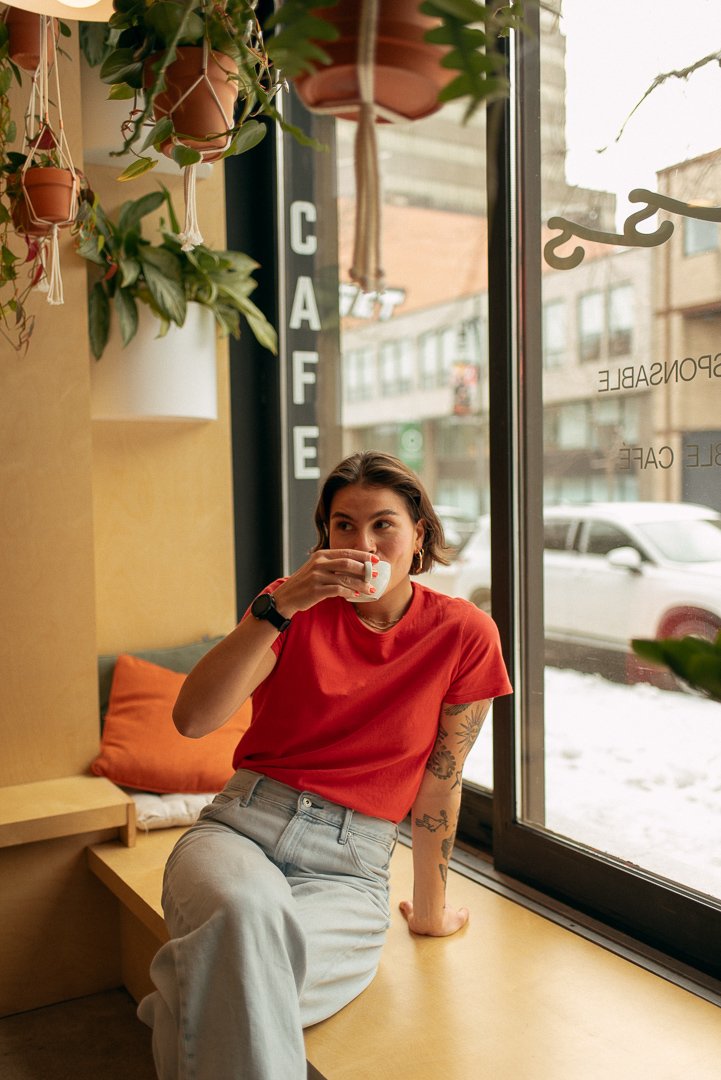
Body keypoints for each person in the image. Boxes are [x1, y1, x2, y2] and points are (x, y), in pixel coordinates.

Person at [138, 450, 512, 1080]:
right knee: (242, 918)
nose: (362, 544)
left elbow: (439, 785)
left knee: (223, 974)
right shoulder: (284, 608)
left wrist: (429, 910)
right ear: (325, 536)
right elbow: (193, 720)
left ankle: (178, 995)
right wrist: (280, 607)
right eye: (344, 525)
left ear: (419, 535)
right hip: (239, 830)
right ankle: (185, 992)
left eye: (383, 525)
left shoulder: (465, 633)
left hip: (352, 869)